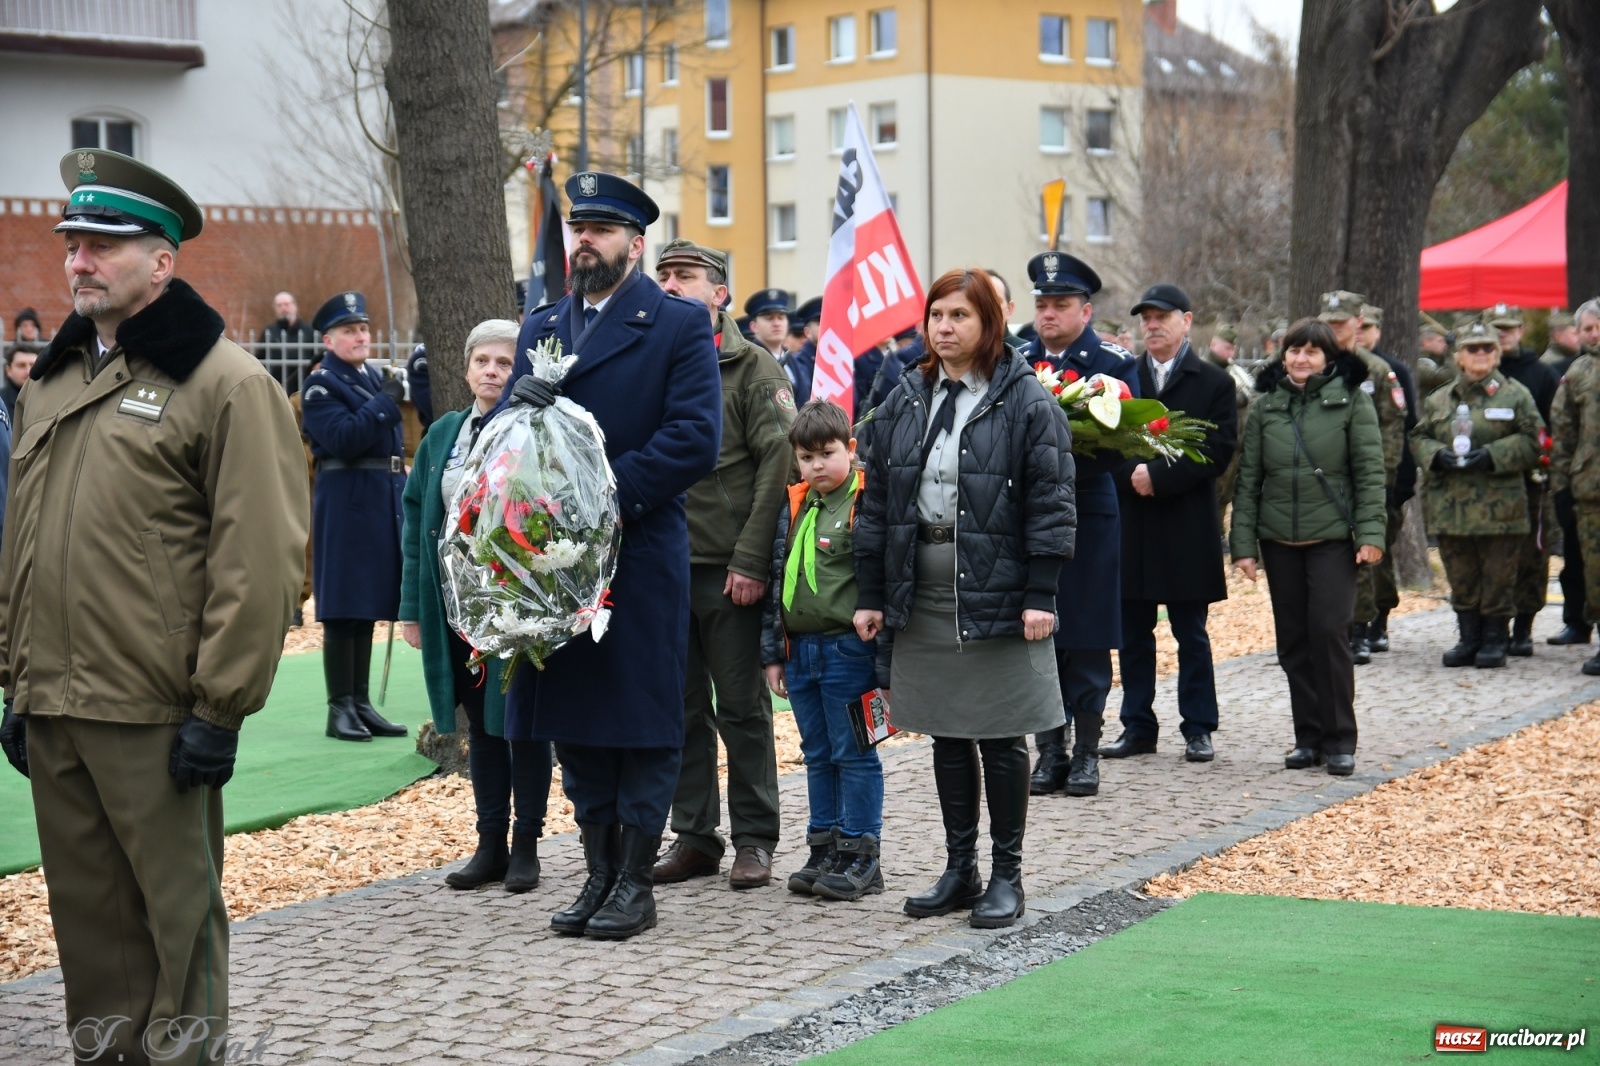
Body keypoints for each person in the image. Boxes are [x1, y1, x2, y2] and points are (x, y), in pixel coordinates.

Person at [0, 149, 306, 1062]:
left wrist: (221, 706)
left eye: (104, 245)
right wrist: (16, 677)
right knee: (90, 919)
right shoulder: (49, 381)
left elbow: (259, 560)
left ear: (163, 261)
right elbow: (26, 541)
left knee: (174, 921)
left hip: (156, 705)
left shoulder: (226, 383)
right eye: (73, 244)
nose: (79, 262)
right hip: (54, 698)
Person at [496, 171, 721, 941]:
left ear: (636, 241)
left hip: (636, 548)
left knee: (641, 719)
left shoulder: (677, 324)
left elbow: (693, 438)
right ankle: (595, 874)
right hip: (553, 565)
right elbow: (507, 439)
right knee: (575, 715)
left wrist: (598, 502)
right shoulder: (542, 325)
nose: (583, 240)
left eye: (600, 228)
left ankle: (634, 882)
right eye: (577, 227)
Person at [854, 267, 1074, 930]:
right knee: (945, 728)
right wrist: (870, 593)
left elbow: (1052, 501)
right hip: (921, 583)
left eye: (960, 317)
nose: (945, 329)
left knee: (1000, 733)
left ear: (989, 324)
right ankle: (960, 869)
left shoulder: (1026, 400)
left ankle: (1007, 876)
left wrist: (1041, 591)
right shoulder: (906, 395)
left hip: (998, 586)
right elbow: (877, 502)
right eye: (937, 316)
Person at [650, 239, 795, 890]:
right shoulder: (651, 362)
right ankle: (696, 836)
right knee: (678, 709)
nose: (671, 286)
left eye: (686, 276)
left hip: (727, 568)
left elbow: (778, 466)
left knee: (741, 709)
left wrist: (751, 556)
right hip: (664, 564)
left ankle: (756, 838)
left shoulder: (750, 366)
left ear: (721, 293)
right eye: (663, 277)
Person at [400, 320, 553, 891]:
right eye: (482, 361)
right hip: (454, 608)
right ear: (466, 369)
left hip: (516, 605)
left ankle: (527, 846)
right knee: (482, 729)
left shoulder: (537, 429)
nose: (492, 372)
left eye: (504, 363)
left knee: (521, 725)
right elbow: (417, 522)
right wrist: (412, 608)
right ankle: (489, 843)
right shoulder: (442, 434)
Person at [1230, 319, 1385, 777]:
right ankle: (1308, 737)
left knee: (1329, 632)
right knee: (1294, 642)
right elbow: (1249, 479)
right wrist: (1243, 546)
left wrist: (1372, 535)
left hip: (1333, 540)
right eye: (1294, 350)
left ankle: (1340, 739)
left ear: (1329, 359)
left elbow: (1371, 473)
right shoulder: (1265, 408)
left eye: (1311, 352)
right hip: (1279, 541)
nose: (1300, 359)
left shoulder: (1352, 402)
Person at [1102, 283, 1238, 763]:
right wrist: (1131, 475)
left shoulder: (1214, 382)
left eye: (1162, 317)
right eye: (1146, 318)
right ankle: (1138, 726)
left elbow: (1217, 451)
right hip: (1134, 527)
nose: (1152, 326)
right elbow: (1103, 443)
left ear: (1187, 320)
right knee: (1133, 636)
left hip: (1185, 527)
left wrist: (1157, 477)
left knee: (1191, 635)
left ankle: (1198, 727)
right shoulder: (1123, 378)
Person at [1020, 251, 1138, 799]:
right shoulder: (1018, 361)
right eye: (1042, 304)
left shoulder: (1111, 365)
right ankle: (1050, 752)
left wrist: (1063, 456)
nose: (1048, 314)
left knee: (1086, 634)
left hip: (1089, 509)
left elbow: (1128, 443)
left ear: (1085, 311)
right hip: (1030, 515)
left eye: (1060, 305)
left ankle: (1087, 752)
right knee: (1039, 631)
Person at [761, 400, 887, 901]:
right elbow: (777, 582)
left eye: (827, 454)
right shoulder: (796, 503)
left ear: (850, 450)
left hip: (849, 651)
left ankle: (862, 852)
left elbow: (883, 571)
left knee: (854, 752)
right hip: (802, 651)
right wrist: (773, 653)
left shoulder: (864, 499)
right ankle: (825, 845)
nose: (817, 466)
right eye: (806, 457)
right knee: (815, 754)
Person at [300, 290, 410, 742]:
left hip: (375, 498)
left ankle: (361, 702)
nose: (360, 336)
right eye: (349, 331)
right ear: (329, 339)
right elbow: (344, 438)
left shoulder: (366, 378)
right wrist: (386, 401)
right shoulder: (322, 384)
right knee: (344, 607)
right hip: (346, 500)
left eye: (363, 329)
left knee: (365, 606)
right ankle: (338, 707)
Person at [1410, 319, 1545, 669]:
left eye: (1487, 348)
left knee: (1499, 577)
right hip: (1452, 505)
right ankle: (1468, 638)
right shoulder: (1440, 398)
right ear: (1459, 356)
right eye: (1473, 348)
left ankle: (1495, 639)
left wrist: (1493, 455)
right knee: (1461, 574)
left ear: (1497, 355)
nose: (1481, 354)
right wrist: (1435, 455)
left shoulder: (1515, 394)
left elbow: (1536, 441)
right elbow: (1419, 437)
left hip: (1500, 508)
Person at [1316, 293, 1407, 664]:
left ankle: (1359, 630)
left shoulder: (1376, 370)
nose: (1336, 328)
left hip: (1361, 479)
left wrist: (1380, 481)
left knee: (1361, 556)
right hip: (1318, 479)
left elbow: (1393, 429)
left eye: (1342, 321)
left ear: (1359, 322)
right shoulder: (1311, 364)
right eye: (1330, 321)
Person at [1482, 304, 1561, 656]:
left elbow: (1552, 426)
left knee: (1531, 554)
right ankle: (1488, 625)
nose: (1503, 334)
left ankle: (1524, 626)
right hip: (1481, 482)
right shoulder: (1478, 369)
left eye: (1509, 328)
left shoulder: (1541, 373)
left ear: (1520, 329)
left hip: (1529, 479)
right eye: (1495, 328)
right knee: (1484, 555)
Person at [1352, 303, 1421, 654]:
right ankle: (1358, 624)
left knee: (1380, 556)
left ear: (1377, 331)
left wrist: (1401, 484)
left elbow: (1407, 431)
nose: (1362, 335)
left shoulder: (1392, 371)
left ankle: (1379, 620)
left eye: (1368, 329)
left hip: (1386, 482)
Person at [1548, 307, 1600, 670]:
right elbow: (1563, 435)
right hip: (1590, 490)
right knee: (1594, 571)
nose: (1594, 334)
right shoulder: (1576, 373)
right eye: (1587, 328)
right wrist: (1561, 488)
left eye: (1599, 327)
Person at [1204, 320, 1253, 522]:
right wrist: (1241, 398)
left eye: (1233, 348)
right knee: (1213, 493)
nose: (1230, 352)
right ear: (1213, 345)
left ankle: (1220, 532)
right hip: (1215, 443)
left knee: (1225, 493)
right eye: (1226, 347)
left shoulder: (1232, 370)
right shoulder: (1205, 370)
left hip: (1235, 446)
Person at [258, 290, 317, 394]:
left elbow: (316, 358)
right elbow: (260, 360)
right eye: (279, 305)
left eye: (286, 304)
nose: (283, 308)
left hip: (302, 388)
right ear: (275, 309)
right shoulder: (269, 332)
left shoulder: (309, 331)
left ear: (295, 306)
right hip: (276, 388)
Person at [783, 296, 821, 406]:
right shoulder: (798, 364)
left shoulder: (842, 358)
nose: (826, 324)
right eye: (819, 322)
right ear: (807, 332)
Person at [745, 287, 792, 362]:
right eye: (769, 318)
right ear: (754, 326)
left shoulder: (792, 360)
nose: (777, 324)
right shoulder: (749, 361)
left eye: (781, 318)